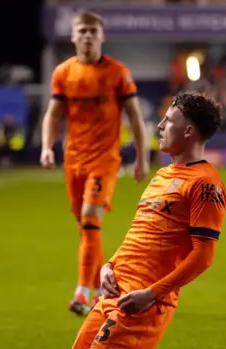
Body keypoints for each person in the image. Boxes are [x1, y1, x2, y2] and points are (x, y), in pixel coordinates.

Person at [61, 90, 226, 349]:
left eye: (169, 120)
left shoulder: (206, 183)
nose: (161, 125)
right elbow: (139, 234)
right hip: (114, 291)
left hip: (143, 303)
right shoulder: (163, 175)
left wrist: (152, 294)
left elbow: (204, 256)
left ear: (189, 131)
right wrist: (108, 266)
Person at [40, 11, 149, 316]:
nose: (87, 36)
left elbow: (136, 118)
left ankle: (82, 291)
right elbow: (53, 114)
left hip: (104, 159)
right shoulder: (63, 73)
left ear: (101, 36)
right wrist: (47, 147)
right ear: (73, 36)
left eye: (92, 31)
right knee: (87, 228)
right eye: (82, 31)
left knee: (90, 219)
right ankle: (104, 287)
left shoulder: (118, 73)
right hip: (73, 160)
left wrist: (142, 158)